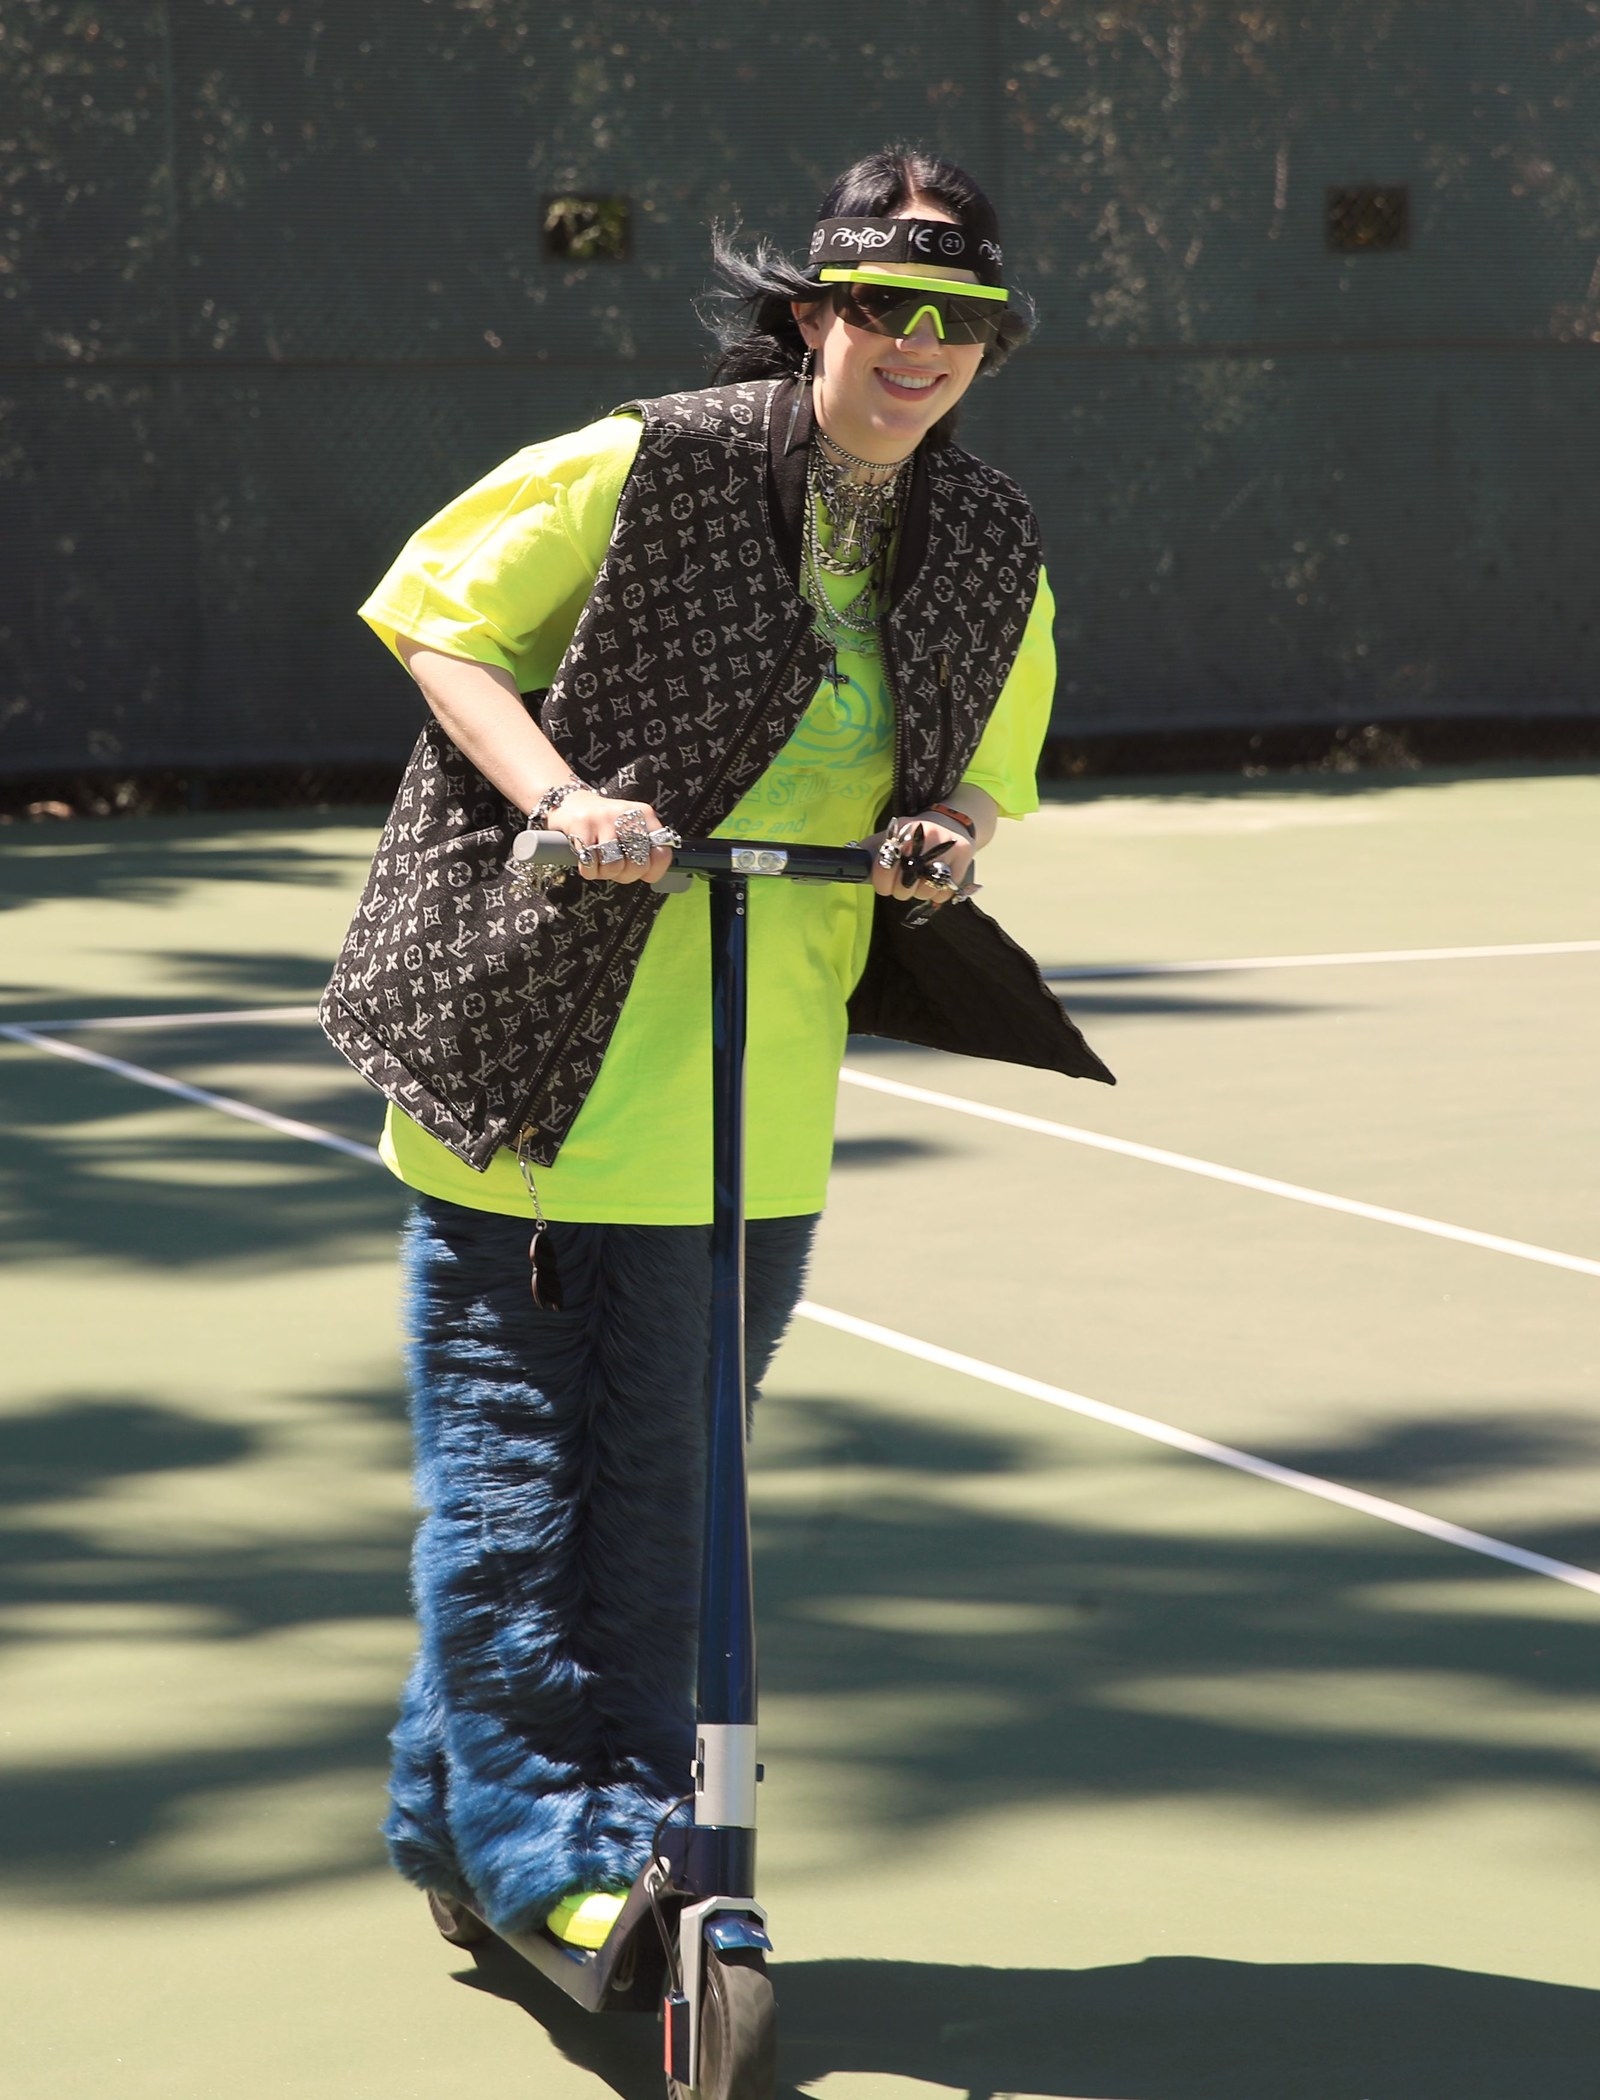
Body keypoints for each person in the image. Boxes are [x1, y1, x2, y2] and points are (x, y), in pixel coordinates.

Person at [320, 145, 1110, 1952]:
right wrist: (564, 794)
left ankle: (468, 1821)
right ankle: (573, 1852)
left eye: (959, 321)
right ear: (812, 313)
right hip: (544, 1065)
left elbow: (997, 740)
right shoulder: (647, 459)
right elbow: (438, 613)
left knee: (670, 1487)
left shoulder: (983, 533)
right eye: (885, 311)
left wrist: (952, 831)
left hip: (757, 1089)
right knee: (533, 1483)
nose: (918, 348)